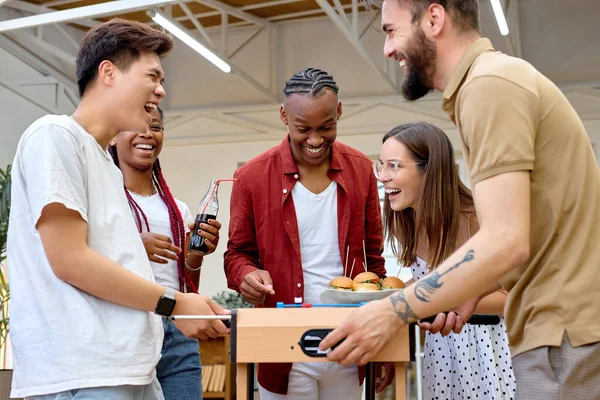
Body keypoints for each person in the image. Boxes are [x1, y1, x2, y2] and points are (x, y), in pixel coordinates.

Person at [321, 1, 600, 398]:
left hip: (564, 330)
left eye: (390, 30)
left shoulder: (489, 85)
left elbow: (505, 239)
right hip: (556, 329)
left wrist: (392, 310)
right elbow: (533, 232)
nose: (387, 49)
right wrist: (468, 289)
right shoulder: (488, 83)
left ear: (434, 19)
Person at [7, 19, 227, 400]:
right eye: (152, 76)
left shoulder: (106, 168)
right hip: (84, 373)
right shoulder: (55, 136)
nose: (160, 90)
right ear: (108, 72)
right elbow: (70, 260)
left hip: (128, 367)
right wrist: (174, 303)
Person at [224, 67, 387, 399]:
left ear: (339, 111)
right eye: (303, 128)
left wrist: (381, 347)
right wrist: (247, 275)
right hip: (283, 349)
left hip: (349, 341)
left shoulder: (360, 170)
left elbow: (375, 263)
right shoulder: (251, 177)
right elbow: (236, 254)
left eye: (326, 127)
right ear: (284, 115)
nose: (315, 140)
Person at [376, 122, 515, 399]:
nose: (382, 177)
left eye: (393, 166)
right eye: (380, 165)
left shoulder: (474, 218)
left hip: (490, 349)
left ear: (429, 170)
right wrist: (392, 298)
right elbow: (427, 280)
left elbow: (511, 296)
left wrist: (433, 297)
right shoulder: (407, 220)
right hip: (443, 351)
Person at [110, 106, 223, 399]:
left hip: (177, 329)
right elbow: (90, 260)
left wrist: (196, 254)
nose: (148, 133)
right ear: (112, 136)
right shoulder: (106, 201)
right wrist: (136, 245)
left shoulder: (176, 208)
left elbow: (184, 277)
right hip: (126, 328)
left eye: (156, 127)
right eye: (136, 125)